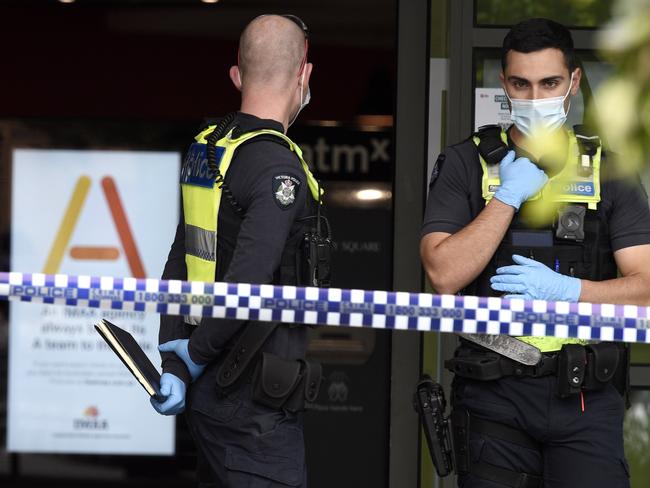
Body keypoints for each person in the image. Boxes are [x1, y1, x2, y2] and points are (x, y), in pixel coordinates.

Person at [420, 18, 650, 488]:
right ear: (503, 84)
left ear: (574, 83)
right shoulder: (466, 163)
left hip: (585, 395)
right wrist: (504, 198)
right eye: (521, 84)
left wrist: (570, 291)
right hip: (493, 396)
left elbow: (646, 289)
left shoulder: (612, 171)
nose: (535, 97)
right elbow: (442, 273)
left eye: (550, 83)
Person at [150, 14, 327, 487]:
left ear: (237, 74)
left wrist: (178, 363)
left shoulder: (210, 148)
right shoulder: (277, 166)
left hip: (212, 391)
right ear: (303, 74)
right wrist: (191, 355)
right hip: (252, 403)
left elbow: (178, 263)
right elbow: (247, 281)